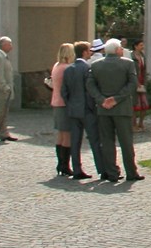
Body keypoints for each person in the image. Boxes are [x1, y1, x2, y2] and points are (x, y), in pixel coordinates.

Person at [86, 38, 142, 182]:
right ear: (117, 50)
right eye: (121, 48)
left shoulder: (96, 65)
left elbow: (90, 85)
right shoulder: (127, 64)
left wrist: (101, 99)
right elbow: (132, 84)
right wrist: (117, 98)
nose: (123, 50)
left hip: (104, 108)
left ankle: (112, 173)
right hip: (122, 108)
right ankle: (131, 172)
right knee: (126, 142)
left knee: (107, 141)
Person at [63, 42, 97, 180]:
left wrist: (70, 105)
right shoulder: (87, 68)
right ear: (84, 52)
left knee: (75, 142)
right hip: (86, 110)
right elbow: (89, 90)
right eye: (89, 50)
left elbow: (64, 92)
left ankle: (77, 169)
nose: (91, 52)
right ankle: (102, 169)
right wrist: (91, 106)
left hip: (73, 110)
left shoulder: (69, 69)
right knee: (94, 140)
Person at [49, 42, 75, 176]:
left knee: (60, 134)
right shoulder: (66, 68)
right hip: (64, 104)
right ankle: (65, 164)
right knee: (67, 135)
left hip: (56, 102)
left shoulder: (56, 66)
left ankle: (61, 163)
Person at [130, 40, 151, 132]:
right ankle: (133, 124)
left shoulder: (142, 56)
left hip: (142, 82)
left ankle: (141, 123)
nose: (142, 46)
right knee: (134, 105)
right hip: (134, 83)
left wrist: (145, 82)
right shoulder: (131, 56)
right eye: (140, 45)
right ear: (135, 46)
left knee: (144, 104)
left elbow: (144, 69)